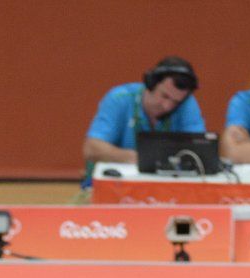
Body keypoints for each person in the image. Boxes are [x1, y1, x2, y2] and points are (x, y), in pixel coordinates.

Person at [81, 57, 205, 187]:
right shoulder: (119, 98)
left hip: (164, 188)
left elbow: (199, 152)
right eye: (165, 96)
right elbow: (92, 149)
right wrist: (142, 159)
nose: (167, 106)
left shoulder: (187, 104)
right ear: (150, 83)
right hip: (113, 186)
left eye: (176, 102)